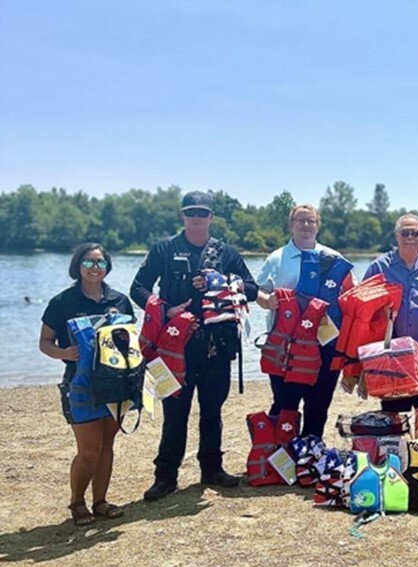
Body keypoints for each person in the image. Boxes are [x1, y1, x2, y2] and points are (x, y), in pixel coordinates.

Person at [131, 191, 258, 501]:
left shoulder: (226, 253)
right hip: (176, 346)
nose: (197, 217)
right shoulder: (164, 249)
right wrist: (164, 309)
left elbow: (252, 289)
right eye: (191, 212)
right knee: (175, 412)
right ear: (183, 215)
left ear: (211, 217)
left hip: (217, 347)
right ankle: (165, 477)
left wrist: (224, 280)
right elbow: (137, 287)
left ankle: (212, 469)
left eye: (203, 212)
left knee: (212, 411)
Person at [39, 243, 135, 525]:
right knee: (89, 450)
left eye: (101, 263)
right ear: (78, 266)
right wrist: (64, 353)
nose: (95, 268)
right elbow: (45, 342)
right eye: (89, 262)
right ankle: (77, 502)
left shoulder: (120, 300)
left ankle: (100, 501)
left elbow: (130, 341)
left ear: (107, 266)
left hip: (116, 384)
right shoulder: (62, 302)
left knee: (107, 445)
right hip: (79, 385)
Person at [254, 204, 355, 437]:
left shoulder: (335, 258)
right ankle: (278, 456)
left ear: (318, 226)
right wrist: (268, 300)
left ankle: (311, 455)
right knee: (284, 405)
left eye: (311, 221)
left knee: (318, 406)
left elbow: (351, 293)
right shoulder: (276, 258)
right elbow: (257, 292)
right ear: (291, 225)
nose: (306, 225)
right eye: (300, 220)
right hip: (285, 346)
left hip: (324, 345)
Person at [363, 214, 418, 411]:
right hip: (391, 354)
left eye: (414, 233)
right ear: (396, 236)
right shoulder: (379, 267)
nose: (410, 237)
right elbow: (361, 305)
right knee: (394, 415)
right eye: (405, 232)